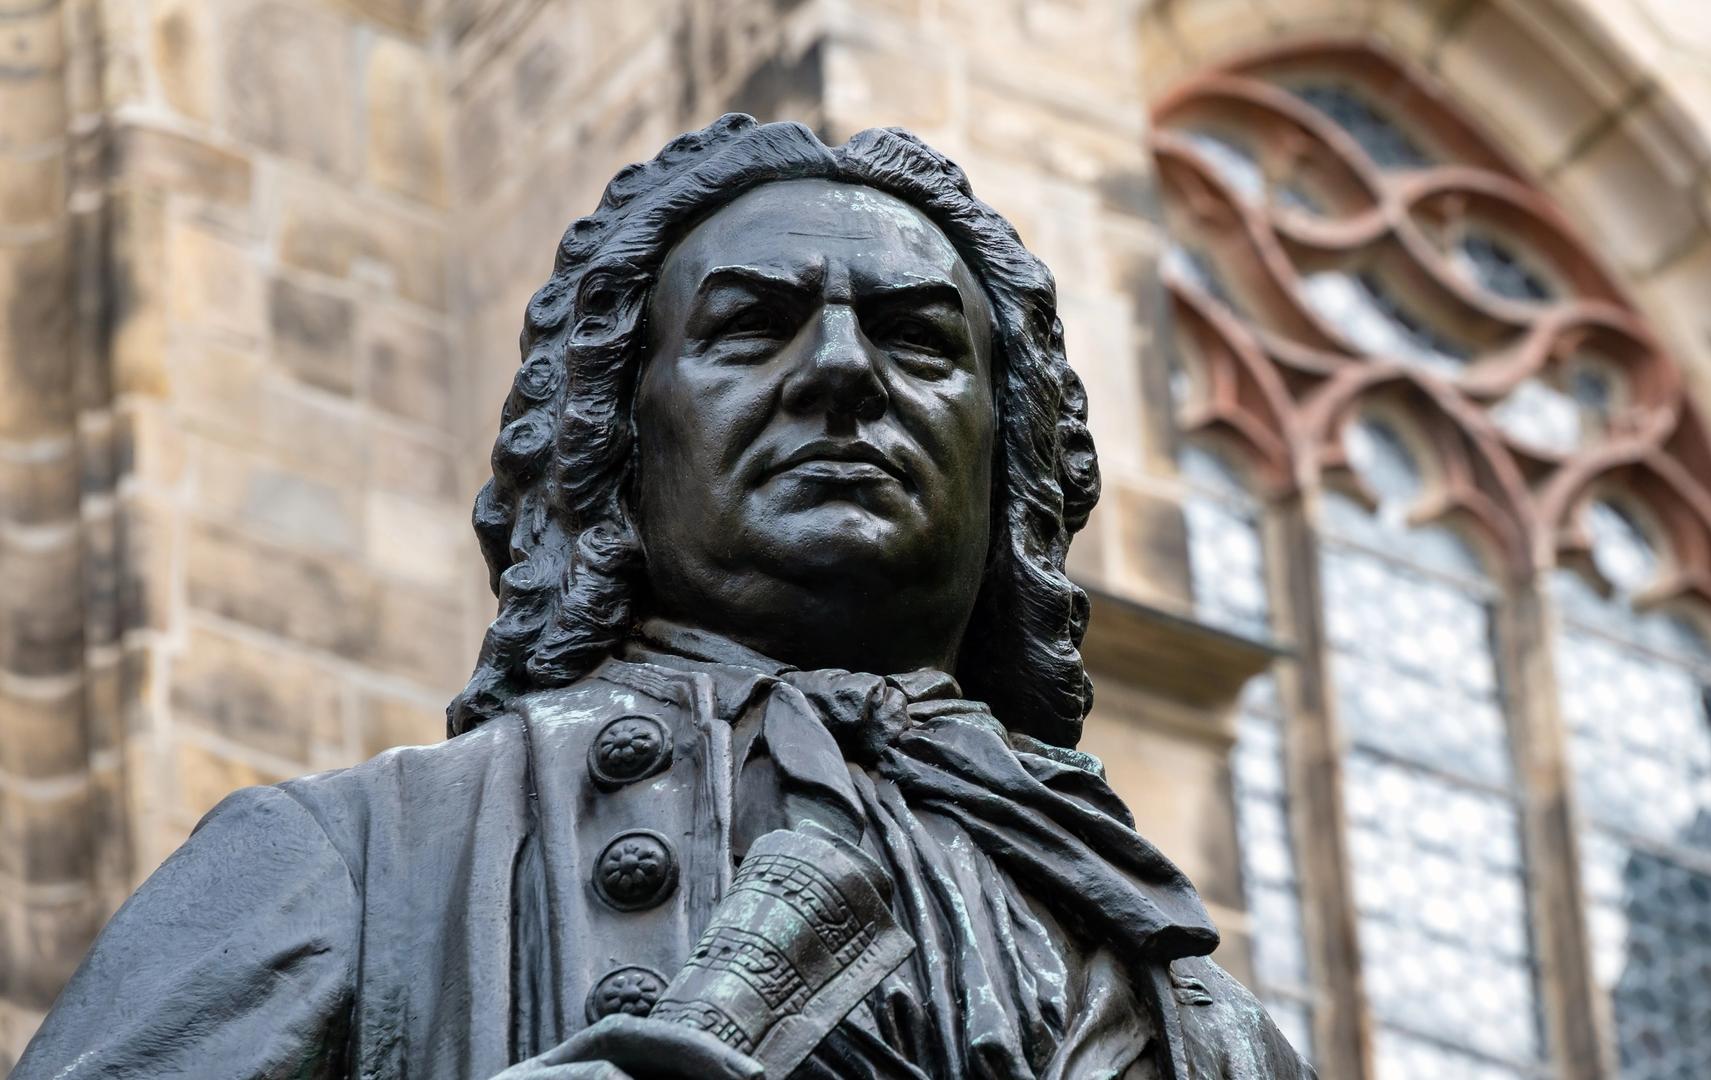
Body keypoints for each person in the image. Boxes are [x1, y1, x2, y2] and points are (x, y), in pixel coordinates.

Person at [17, 115, 1308, 1080]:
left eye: (920, 340)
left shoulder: (1204, 1015)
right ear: (615, 437)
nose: (843, 370)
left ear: (1008, 456)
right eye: (750, 327)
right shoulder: (363, 859)